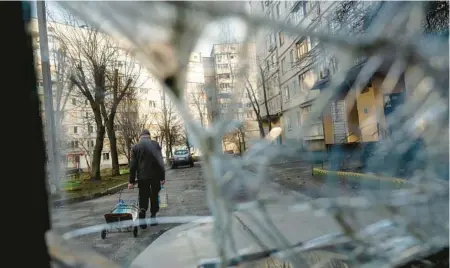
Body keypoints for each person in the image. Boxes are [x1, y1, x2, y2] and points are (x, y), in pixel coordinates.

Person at [128, 129, 166, 229]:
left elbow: (133, 166)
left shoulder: (136, 147)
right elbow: (160, 162)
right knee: (154, 197)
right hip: (155, 177)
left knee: (143, 196)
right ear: (149, 136)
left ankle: (142, 214)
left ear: (140, 136)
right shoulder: (155, 144)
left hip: (142, 178)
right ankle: (153, 218)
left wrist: (131, 181)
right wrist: (162, 177)